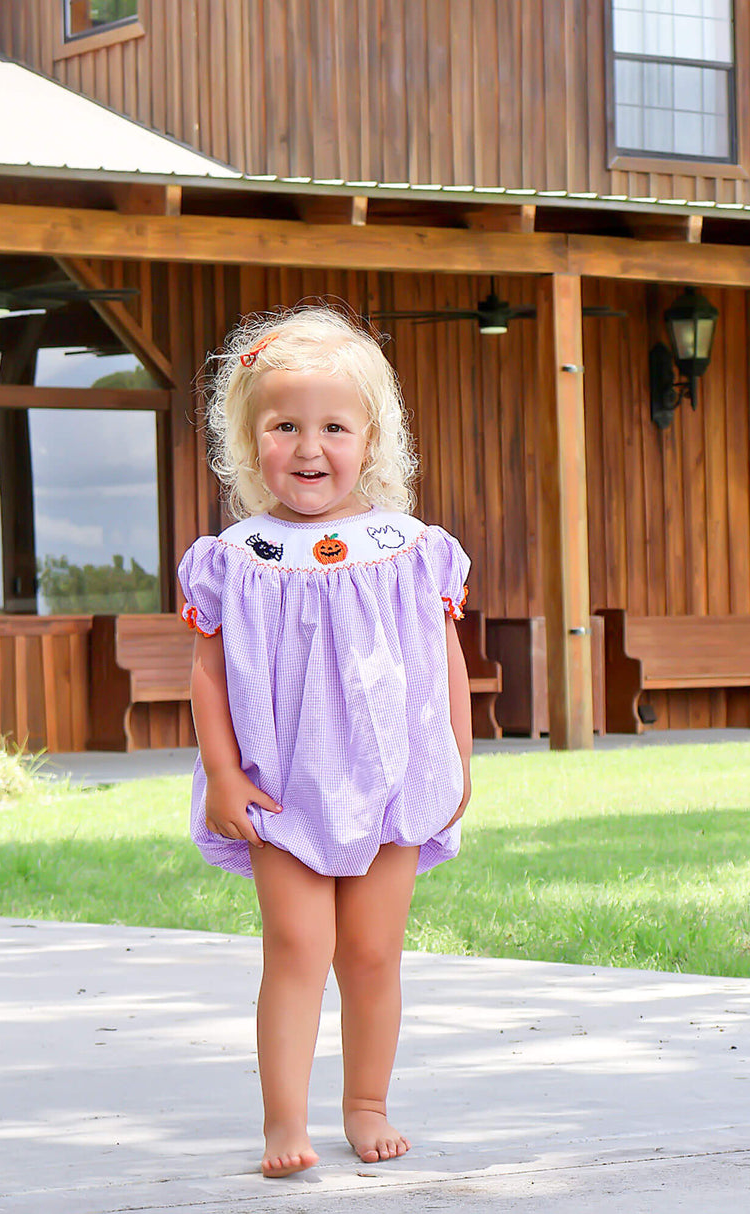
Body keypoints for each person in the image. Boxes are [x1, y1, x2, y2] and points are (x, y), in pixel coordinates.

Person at [178, 304, 473, 1178]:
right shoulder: (239, 556)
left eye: (334, 428)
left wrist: (456, 761)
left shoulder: (409, 549)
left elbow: (444, 661)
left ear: (371, 439)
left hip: (391, 781)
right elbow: (208, 675)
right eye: (285, 427)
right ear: (249, 440)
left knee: (373, 953)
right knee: (297, 950)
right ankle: (284, 1122)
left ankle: (368, 1103)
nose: (310, 448)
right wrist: (224, 776)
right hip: (282, 786)